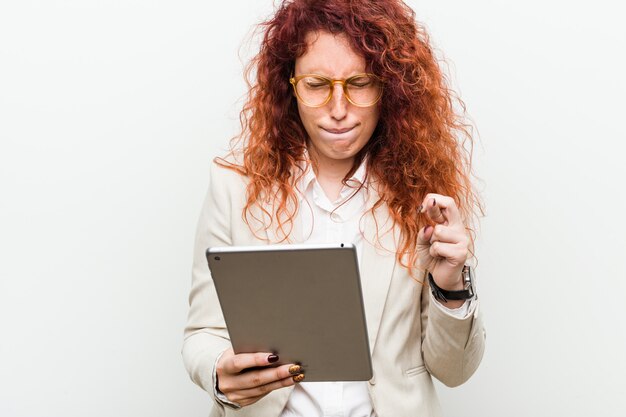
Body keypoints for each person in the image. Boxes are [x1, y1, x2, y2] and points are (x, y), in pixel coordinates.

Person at [182, 0, 486, 416]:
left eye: (359, 82)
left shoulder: (424, 195)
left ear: (390, 88)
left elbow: (453, 371)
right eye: (316, 84)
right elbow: (202, 332)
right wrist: (220, 372)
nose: (339, 109)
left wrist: (451, 289)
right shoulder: (235, 188)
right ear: (290, 87)